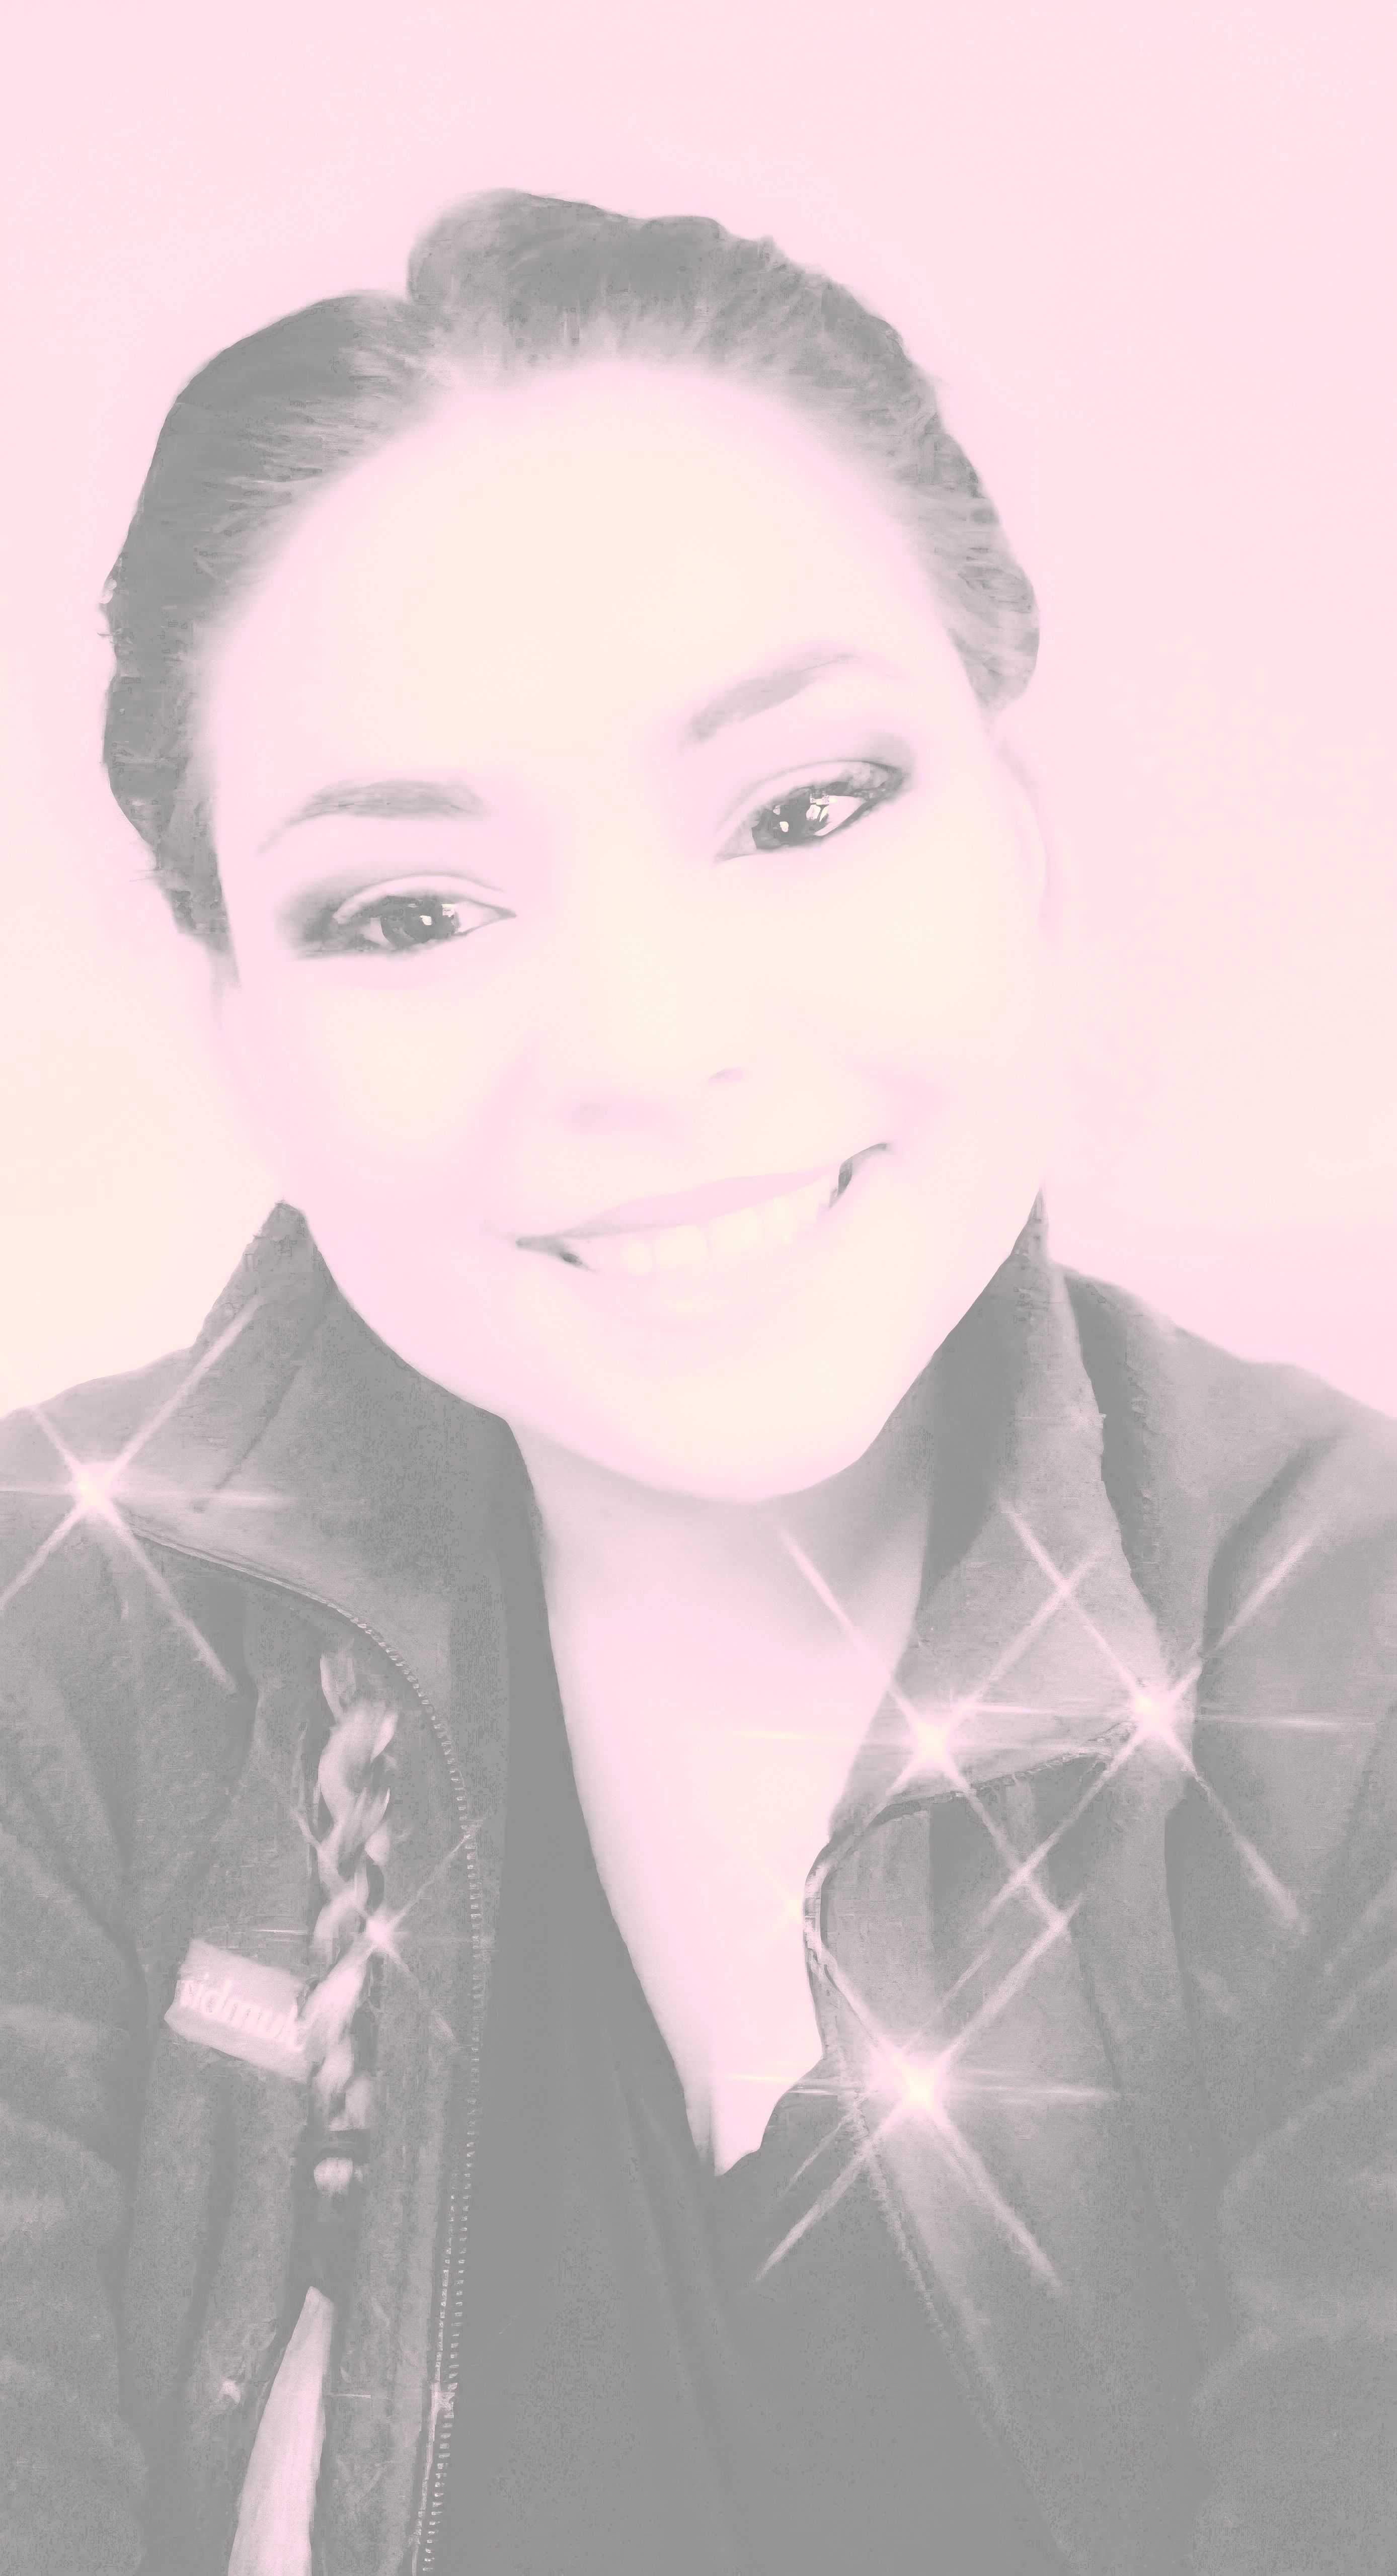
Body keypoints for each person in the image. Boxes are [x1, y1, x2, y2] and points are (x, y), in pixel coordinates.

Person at [1, 190, 1392, 2576]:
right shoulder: (55, 1652)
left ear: (1022, 832)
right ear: (243, 1028)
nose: (646, 1046)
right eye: (405, 912)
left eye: (804, 807)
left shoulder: (1343, 1675)